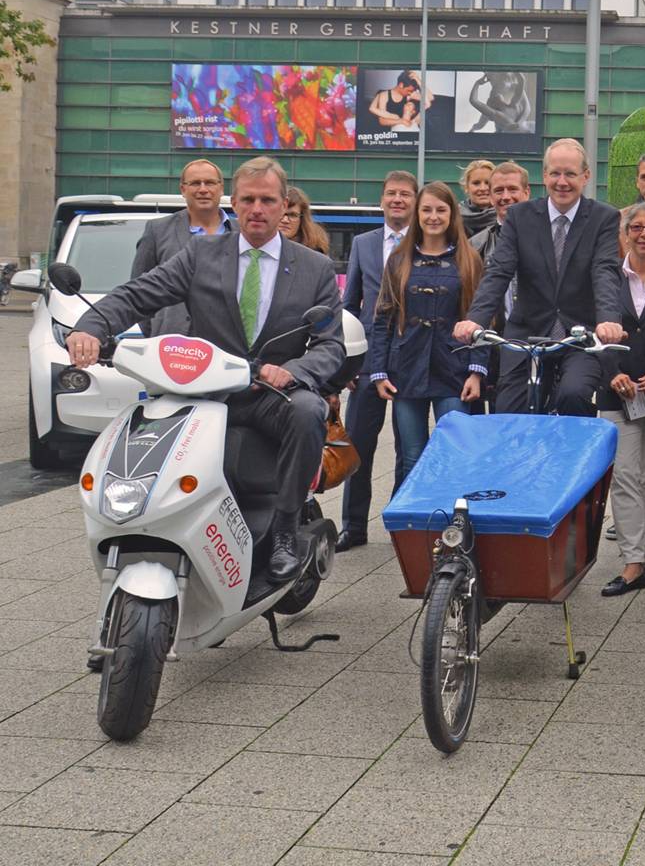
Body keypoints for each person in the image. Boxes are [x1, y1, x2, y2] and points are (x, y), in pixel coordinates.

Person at [67, 157, 342, 582]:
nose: (257, 209)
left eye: (267, 200)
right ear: (233, 202)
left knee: (308, 413)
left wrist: (295, 370)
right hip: (207, 392)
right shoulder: (200, 254)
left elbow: (331, 344)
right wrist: (91, 327)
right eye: (248, 199)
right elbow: (139, 294)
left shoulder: (315, 267)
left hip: (273, 394)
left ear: (284, 205)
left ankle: (285, 528)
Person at [455, 138, 624, 415]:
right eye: (555, 173)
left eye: (570, 174)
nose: (562, 182)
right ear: (544, 176)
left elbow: (605, 271)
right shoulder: (520, 216)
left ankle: (571, 457)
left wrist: (608, 320)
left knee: (574, 395)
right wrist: (475, 320)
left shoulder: (603, 218)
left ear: (586, 176)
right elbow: (499, 271)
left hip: (578, 336)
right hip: (528, 334)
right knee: (509, 411)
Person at [369, 183, 487, 489]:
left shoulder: (469, 260)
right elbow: (383, 318)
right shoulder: (398, 260)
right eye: (427, 210)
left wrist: (476, 370)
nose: (433, 217)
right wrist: (378, 370)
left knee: (454, 454)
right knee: (411, 456)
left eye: (441, 210)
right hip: (406, 369)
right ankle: (412, 529)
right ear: (417, 213)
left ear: (452, 214)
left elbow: (482, 320)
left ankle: (454, 526)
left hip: (454, 370)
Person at [597, 204, 645, 596]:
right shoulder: (607, 276)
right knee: (625, 475)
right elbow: (595, 331)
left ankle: (642, 554)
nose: (644, 234)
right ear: (624, 233)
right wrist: (613, 373)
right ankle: (632, 562)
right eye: (636, 227)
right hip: (617, 390)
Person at [338, 170, 418, 550]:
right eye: (391, 194)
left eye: (405, 194)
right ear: (382, 199)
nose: (397, 200)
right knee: (358, 443)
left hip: (412, 357)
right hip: (369, 360)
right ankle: (353, 526)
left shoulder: (426, 244)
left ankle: (400, 522)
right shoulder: (362, 244)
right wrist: (347, 361)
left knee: (409, 445)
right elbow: (349, 305)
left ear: (415, 201)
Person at [129, 158, 233, 334]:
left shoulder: (241, 233)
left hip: (226, 343)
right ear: (183, 190)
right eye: (194, 183)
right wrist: (158, 328)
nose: (203, 189)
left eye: (209, 182)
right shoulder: (158, 231)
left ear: (221, 188)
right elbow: (138, 290)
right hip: (172, 345)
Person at [467, 161, 530, 411]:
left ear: (526, 192)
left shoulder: (550, 239)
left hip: (537, 344)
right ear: (491, 197)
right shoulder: (476, 245)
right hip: (492, 348)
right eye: (499, 191)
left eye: (512, 190)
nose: (506, 197)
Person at [280, 185, 330, 256]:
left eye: (293, 215)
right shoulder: (259, 247)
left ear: (302, 219)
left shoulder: (315, 254)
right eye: (281, 213)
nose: (285, 220)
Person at [459, 159, 498, 237]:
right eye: (476, 183)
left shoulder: (507, 218)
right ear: (466, 187)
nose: (483, 188)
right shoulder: (454, 217)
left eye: (488, 183)